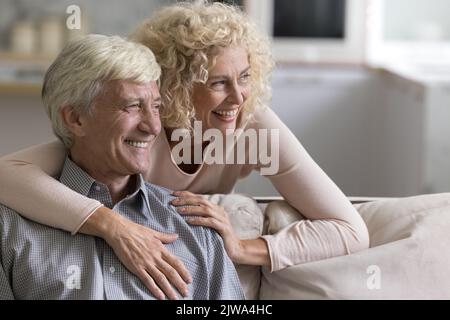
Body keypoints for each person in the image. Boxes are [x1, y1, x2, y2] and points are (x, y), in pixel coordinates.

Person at [0, 1, 369, 299]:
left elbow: (349, 229)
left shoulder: (251, 123)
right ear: (175, 84)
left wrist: (242, 248)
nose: (239, 97)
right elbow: (8, 174)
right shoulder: (125, 139)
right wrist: (114, 226)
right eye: (218, 82)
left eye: (244, 77)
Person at [0, 34, 244, 300]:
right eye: (132, 106)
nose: (152, 127)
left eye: (156, 107)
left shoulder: (194, 225)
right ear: (76, 119)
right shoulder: (10, 228)